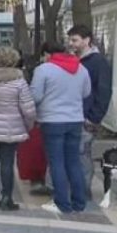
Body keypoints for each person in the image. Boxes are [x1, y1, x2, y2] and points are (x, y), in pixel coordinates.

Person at [31, 42, 91, 214]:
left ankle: (62, 203)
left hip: (52, 120)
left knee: (56, 162)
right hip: (75, 120)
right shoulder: (81, 68)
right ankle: (79, 202)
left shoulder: (43, 70)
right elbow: (86, 92)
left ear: (48, 54)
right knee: (73, 161)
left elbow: (35, 95)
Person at [0, 47, 37, 211]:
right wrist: (30, 124)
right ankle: (6, 197)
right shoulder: (18, 81)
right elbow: (28, 109)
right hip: (11, 126)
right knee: (7, 162)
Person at [67, 25, 113, 200]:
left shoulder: (97, 62)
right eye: (70, 40)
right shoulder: (76, 60)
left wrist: (93, 117)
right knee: (77, 153)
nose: (71, 44)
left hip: (86, 118)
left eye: (75, 40)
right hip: (73, 115)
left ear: (87, 40)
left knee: (81, 154)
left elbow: (103, 91)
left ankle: (82, 192)